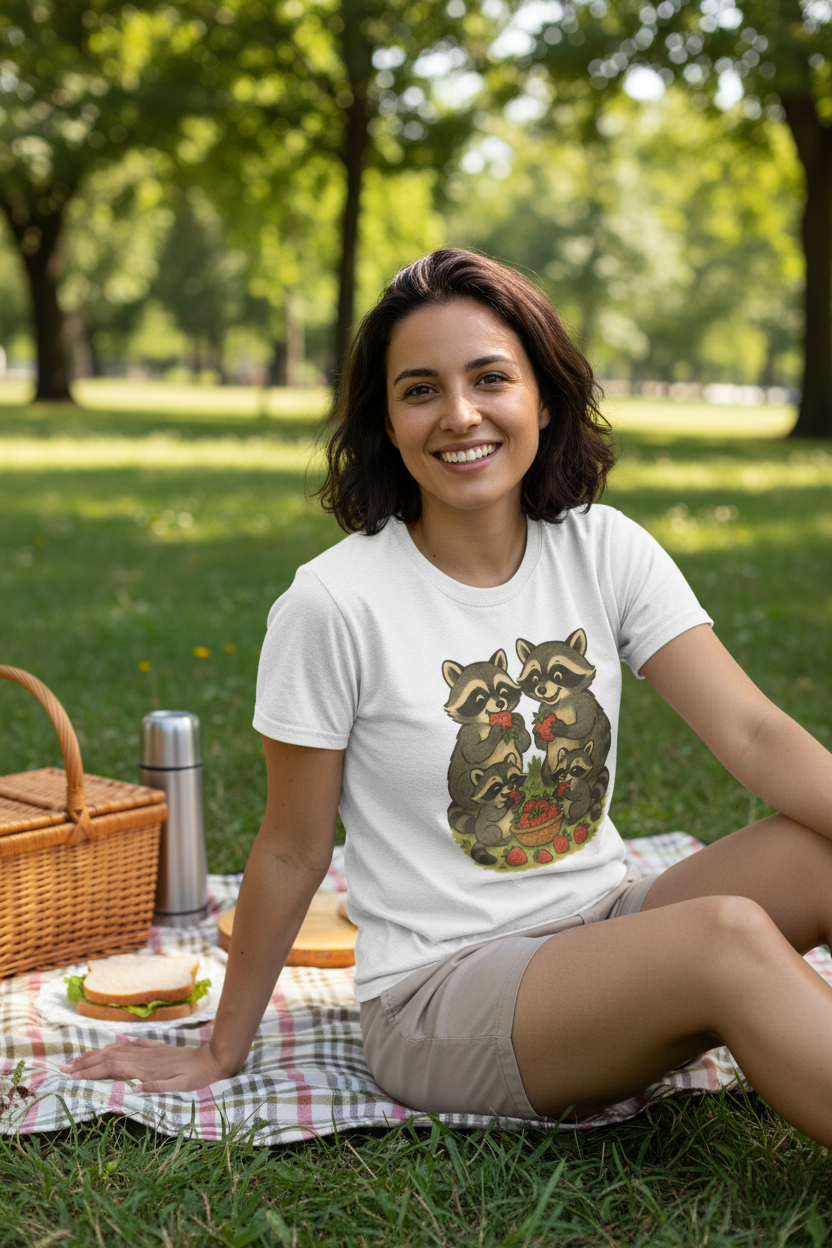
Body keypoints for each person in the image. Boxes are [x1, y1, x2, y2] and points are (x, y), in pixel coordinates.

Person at [64, 250, 832, 1145]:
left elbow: (751, 733)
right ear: (387, 422)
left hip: (606, 920)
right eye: (420, 389)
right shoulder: (335, 603)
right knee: (724, 937)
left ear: (543, 398)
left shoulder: (604, 548)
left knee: (818, 852)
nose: (460, 414)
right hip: (442, 994)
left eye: (490, 378)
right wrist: (218, 1050)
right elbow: (289, 850)